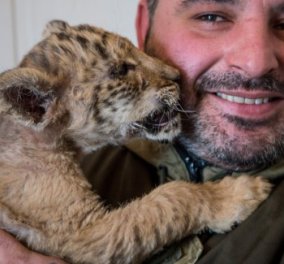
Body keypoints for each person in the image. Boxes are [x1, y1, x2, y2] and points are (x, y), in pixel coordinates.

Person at [1, 0, 284, 263]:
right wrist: (194, 202)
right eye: (211, 16)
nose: (256, 63)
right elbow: (88, 242)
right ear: (33, 105)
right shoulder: (49, 167)